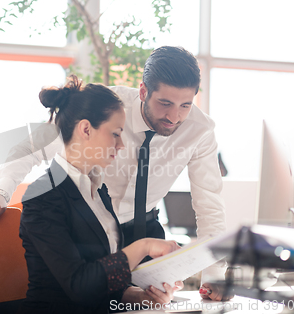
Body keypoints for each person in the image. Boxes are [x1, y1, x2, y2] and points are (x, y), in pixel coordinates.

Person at [0, 46, 228, 301]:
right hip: (93, 231)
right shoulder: (107, 109)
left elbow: (210, 206)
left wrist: (214, 275)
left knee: (153, 302)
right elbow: (31, 147)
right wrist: (1, 191)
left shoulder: (200, 130)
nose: (174, 116)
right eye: (165, 103)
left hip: (145, 231)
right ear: (143, 91)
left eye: (185, 105)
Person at [18, 76, 182, 313]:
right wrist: (144, 246)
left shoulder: (97, 190)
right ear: (85, 129)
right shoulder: (43, 196)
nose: (121, 145)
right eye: (116, 133)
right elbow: (79, 286)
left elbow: (100, 278)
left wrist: (141, 296)